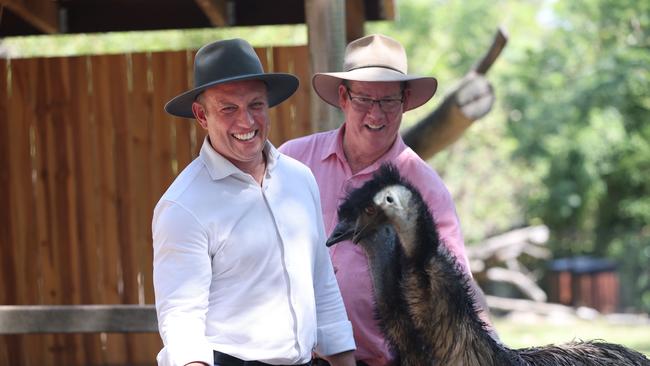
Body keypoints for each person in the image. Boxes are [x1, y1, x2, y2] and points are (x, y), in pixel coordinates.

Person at [279, 34, 496, 366]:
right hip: (290, 356)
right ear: (343, 98)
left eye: (388, 101)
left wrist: (489, 348)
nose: (376, 114)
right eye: (365, 99)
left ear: (406, 101)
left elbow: (454, 288)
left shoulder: (423, 187)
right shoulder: (293, 161)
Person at [152, 38, 356, 366]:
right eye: (228, 108)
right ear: (201, 115)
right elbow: (181, 322)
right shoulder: (183, 206)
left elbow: (321, 282)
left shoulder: (300, 179)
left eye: (256, 105)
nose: (246, 122)